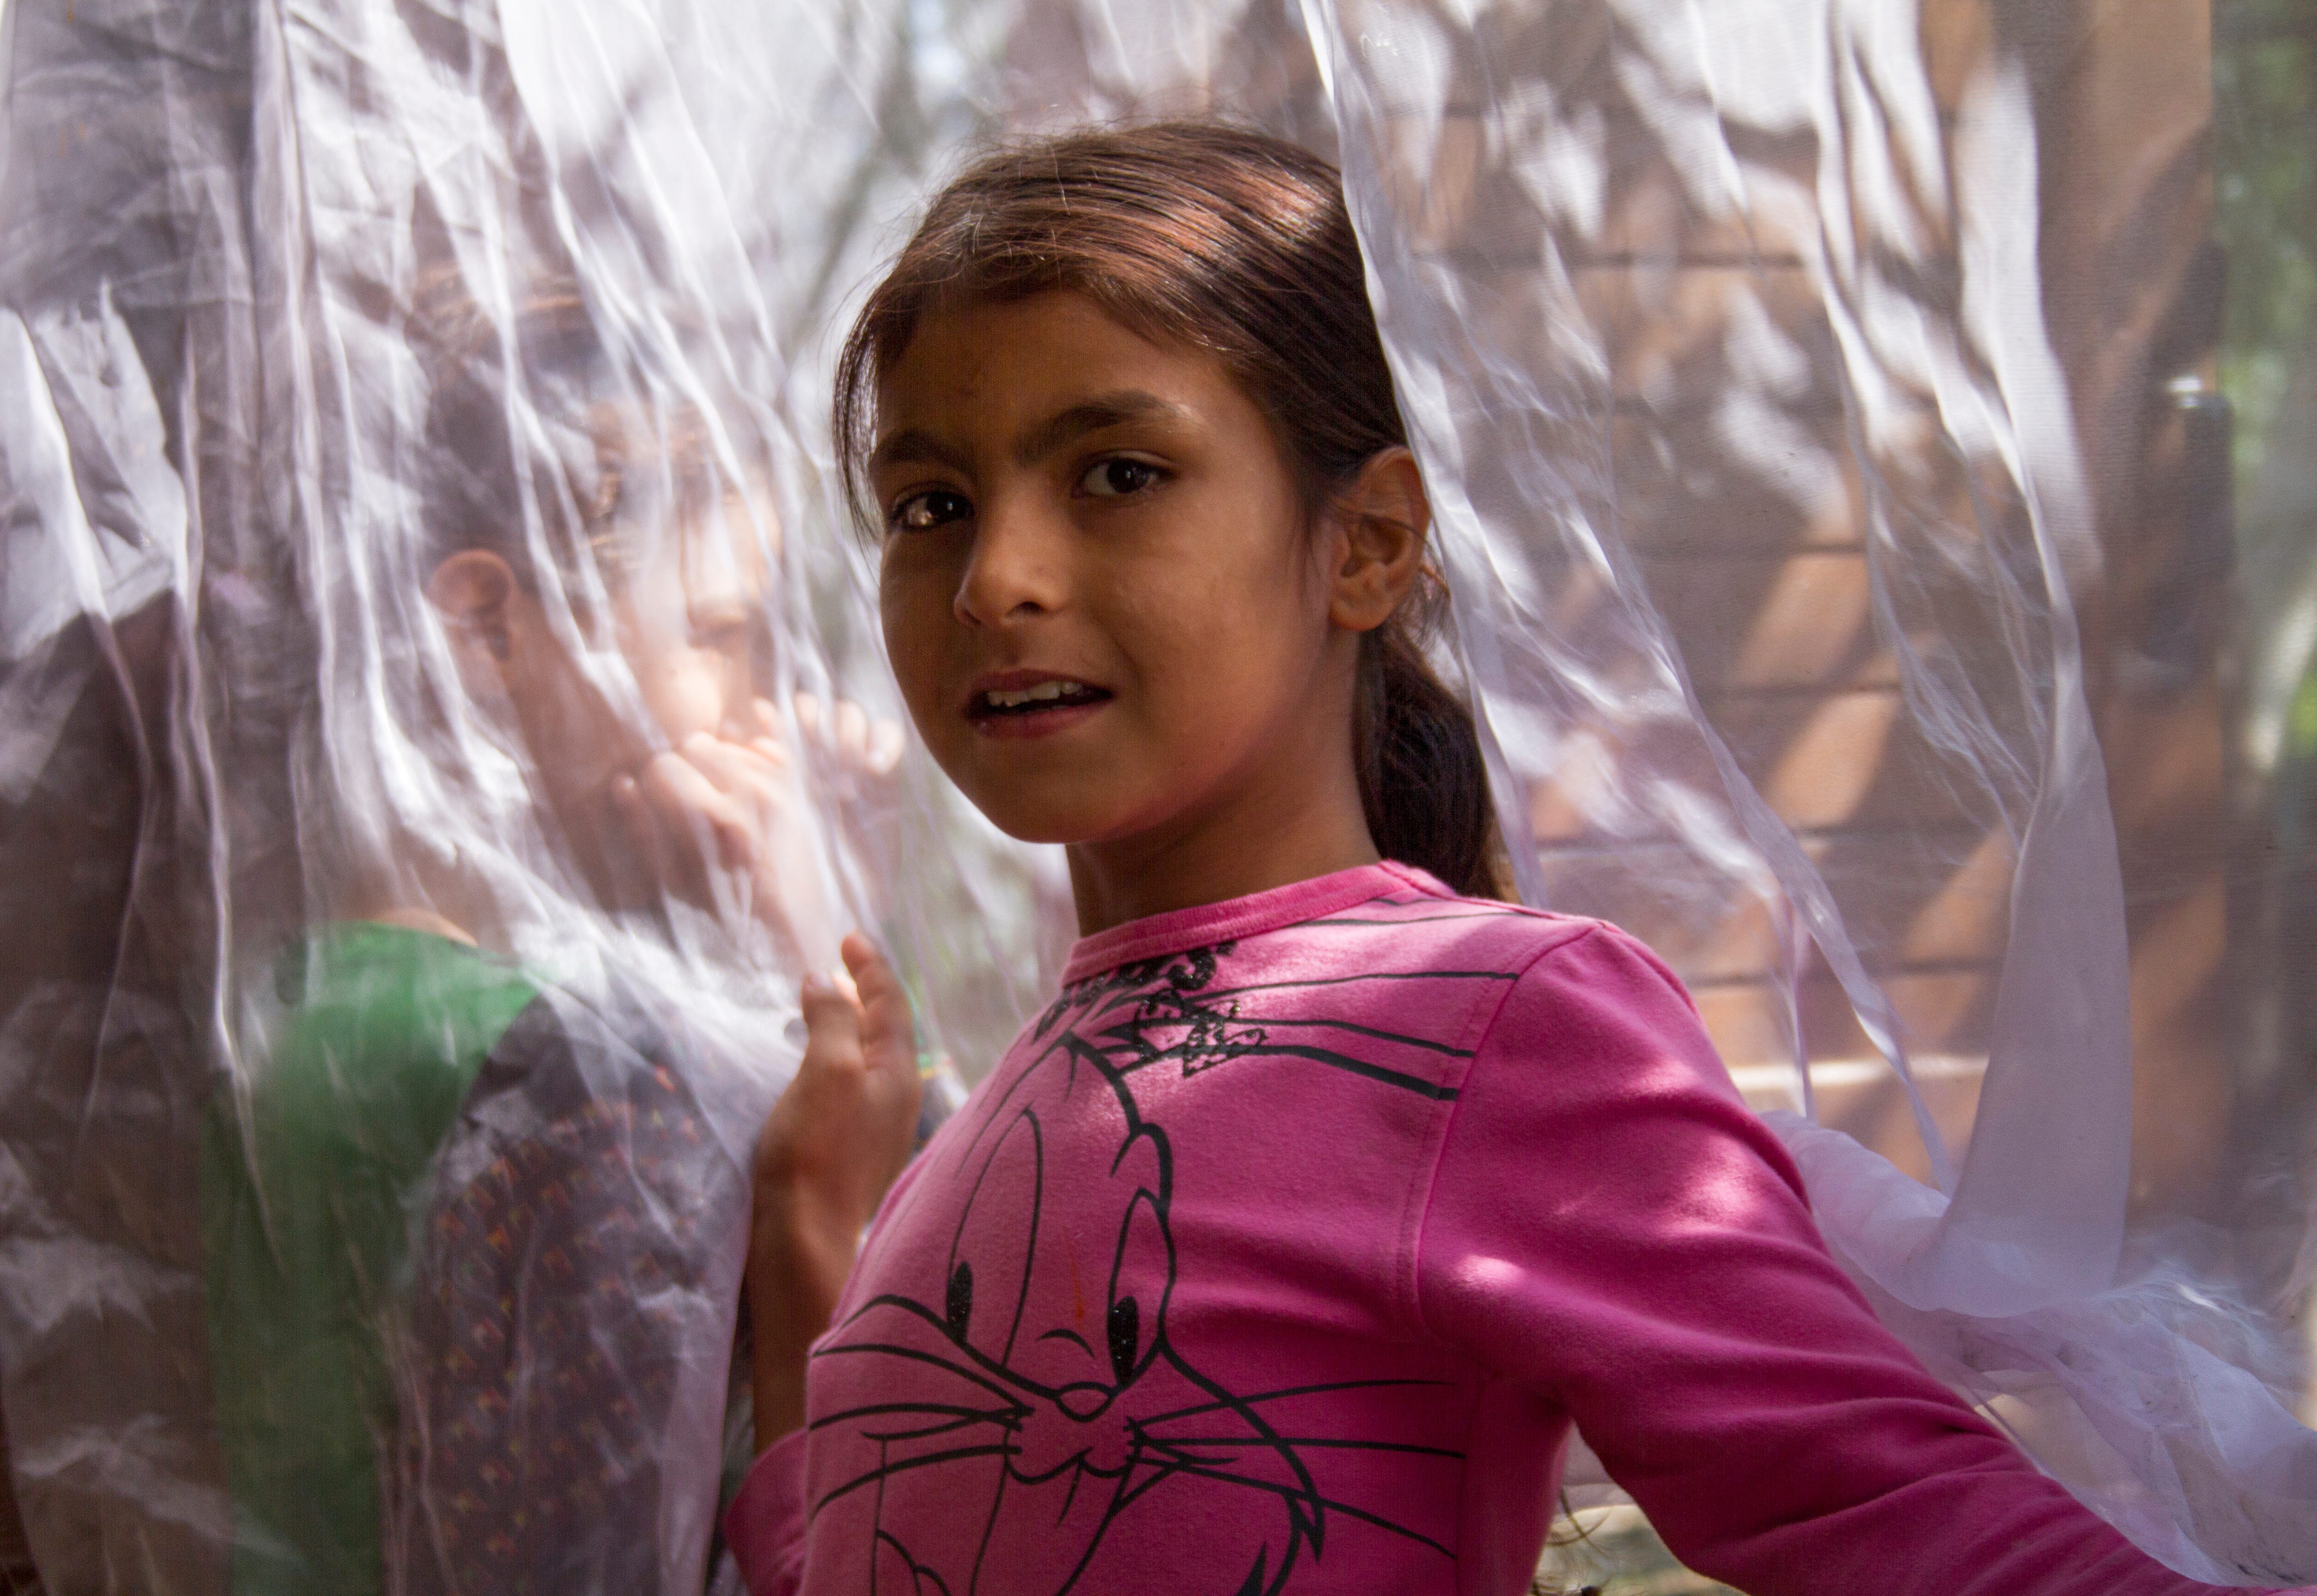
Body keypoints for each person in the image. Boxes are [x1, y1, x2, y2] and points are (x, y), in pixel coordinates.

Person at [718, 122, 2316, 1596]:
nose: (995, 577)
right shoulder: (993, 1132)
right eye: (930, 504)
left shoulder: (1492, 1025)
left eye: (1118, 475)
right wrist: (808, 1265)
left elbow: (1893, 1514)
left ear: (1367, 544)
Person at [197, 279, 897, 1596]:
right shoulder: (550, 1065)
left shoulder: (308, 1009)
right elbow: (917, 1348)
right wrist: (820, 928)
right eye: (717, 635)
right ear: (486, 627)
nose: (761, 709)